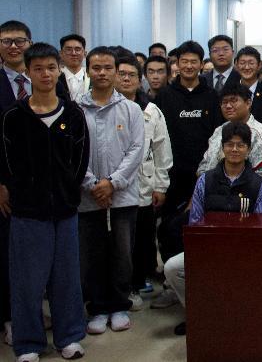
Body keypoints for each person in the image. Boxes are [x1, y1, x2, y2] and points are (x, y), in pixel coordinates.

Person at [0, 43, 89, 362]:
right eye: (38, 69)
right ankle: (28, 343)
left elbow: (80, 160)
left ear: (58, 70)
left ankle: (69, 337)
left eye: (51, 68)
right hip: (27, 212)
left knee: (66, 278)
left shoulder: (74, 114)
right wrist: (14, 189)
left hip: (64, 210)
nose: (46, 74)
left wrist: (68, 191)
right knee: (27, 280)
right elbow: (6, 162)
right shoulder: (13, 117)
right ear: (28, 72)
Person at [164, 122, 262, 336]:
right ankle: (197, 315)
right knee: (171, 268)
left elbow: (260, 225)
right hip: (208, 249)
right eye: (229, 144)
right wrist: (207, 250)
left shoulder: (258, 184)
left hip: (243, 252)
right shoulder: (206, 180)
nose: (234, 149)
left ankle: (237, 319)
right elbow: (195, 221)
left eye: (240, 145)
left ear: (249, 149)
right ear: (222, 148)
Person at [78, 47, 145, 335]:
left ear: (116, 72)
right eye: (96, 68)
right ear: (88, 71)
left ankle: (119, 305)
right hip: (88, 196)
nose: (102, 73)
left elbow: (136, 150)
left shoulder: (131, 109)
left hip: (122, 196)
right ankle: (97, 307)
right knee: (91, 255)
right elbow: (73, 153)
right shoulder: (76, 109)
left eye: (108, 68)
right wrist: (92, 183)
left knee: (122, 254)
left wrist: (112, 182)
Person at [152, 40, 221, 308]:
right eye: (184, 61)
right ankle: (171, 285)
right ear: (176, 64)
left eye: (194, 61)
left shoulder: (212, 96)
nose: (189, 66)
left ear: (201, 64)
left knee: (202, 229)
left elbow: (217, 137)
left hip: (204, 176)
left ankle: (202, 283)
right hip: (172, 176)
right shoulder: (165, 96)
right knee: (169, 228)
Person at [115, 55, 172, 311]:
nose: (126, 79)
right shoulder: (104, 108)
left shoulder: (151, 110)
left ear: (140, 81)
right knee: (117, 241)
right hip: (113, 187)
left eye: (132, 75)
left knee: (141, 239)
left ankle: (136, 284)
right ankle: (116, 288)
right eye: (122, 74)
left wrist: (160, 185)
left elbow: (162, 150)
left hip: (144, 185)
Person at [197, 82, 262, 179]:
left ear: (248, 103)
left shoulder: (260, 133)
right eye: (224, 102)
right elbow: (204, 166)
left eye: (233, 101)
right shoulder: (219, 130)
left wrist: (234, 184)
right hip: (212, 186)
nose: (228, 106)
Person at [0, 20, 32, 112]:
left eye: (20, 41)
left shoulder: (47, 78)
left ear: (30, 44)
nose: (13, 46)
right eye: (6, 41)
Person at [58, 34, 89, 102]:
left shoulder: (91, 77)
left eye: (77, 49)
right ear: (61, 54)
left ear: (85, 53)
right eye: (68, 50)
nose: (73, 53)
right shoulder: (55, 77)